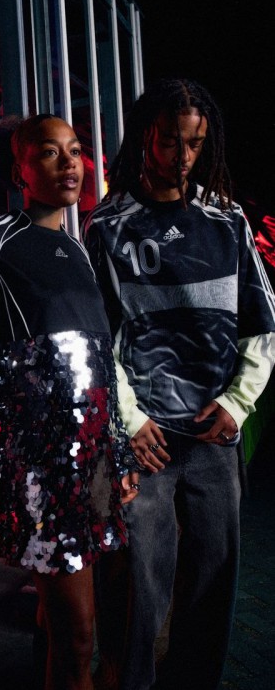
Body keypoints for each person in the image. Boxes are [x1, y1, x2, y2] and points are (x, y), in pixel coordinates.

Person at [81, 77, 275, 690]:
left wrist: (237, 402)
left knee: (213, 582)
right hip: (148, 440)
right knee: (139, 589)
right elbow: (96, 339)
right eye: (171, 141)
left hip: (213, 434)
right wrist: (130, 419)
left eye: (195, 143)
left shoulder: (227, 219)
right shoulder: (108, 225)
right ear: (147, 136)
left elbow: (263, 322)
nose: (183, 156)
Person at [0, 114, 140, 690]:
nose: (69, 164)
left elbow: (100, 362)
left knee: (102, 622)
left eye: (75, 150)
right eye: (48, 152)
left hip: (98, 461)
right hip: (43, 465)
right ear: (20, 170)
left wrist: (118, 451)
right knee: (76, 636)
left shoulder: (80, 248)